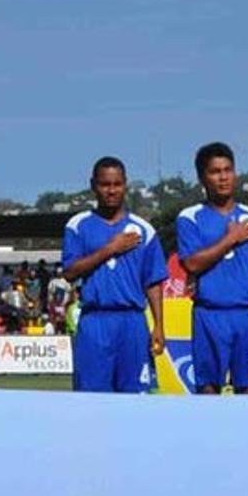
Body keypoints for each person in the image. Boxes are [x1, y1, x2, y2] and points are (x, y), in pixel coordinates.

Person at [176, 142, 248, 395]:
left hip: (247, 316)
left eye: (227, 170)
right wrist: (230, 239)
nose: (223, 177)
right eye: (215, 171)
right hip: (209, 314)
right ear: (202, 178)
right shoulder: (190, 218)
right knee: (208, 390)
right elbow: (191, 263)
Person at [62, 156, 167, 392]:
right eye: (105, 185)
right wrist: (110, 249)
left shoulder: (144, 230)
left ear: (125, 185)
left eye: (117, 184)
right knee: (92, 400)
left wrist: (159, 324)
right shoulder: (78, 226)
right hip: (95, 320)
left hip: (132, 322)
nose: (111, 191)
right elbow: (69, 272)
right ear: (93, 185)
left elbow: (153, 282)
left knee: (134, 400)